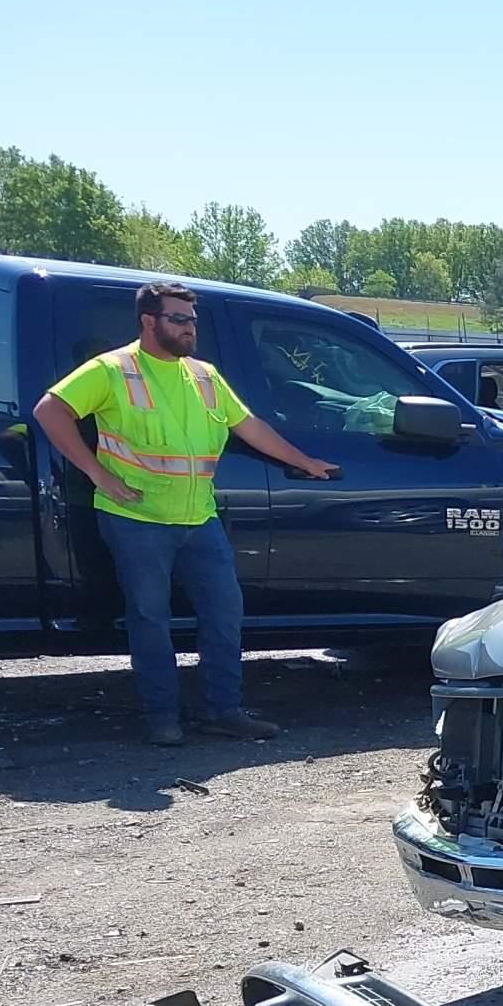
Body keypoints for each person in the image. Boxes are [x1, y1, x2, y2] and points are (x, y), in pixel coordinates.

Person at [32, 282, 340, 746]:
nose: (189, 328)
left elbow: (248, 425)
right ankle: (161, 717)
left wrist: (303, 462)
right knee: (149, 618)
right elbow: (49, 410)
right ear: (148, 322)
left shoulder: (203, 375)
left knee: (224, 613)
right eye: (179, 319)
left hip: (198, 517)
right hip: (136, 517)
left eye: (192, 319)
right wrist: (98, 474)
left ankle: (224, 711)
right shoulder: (113, 370)